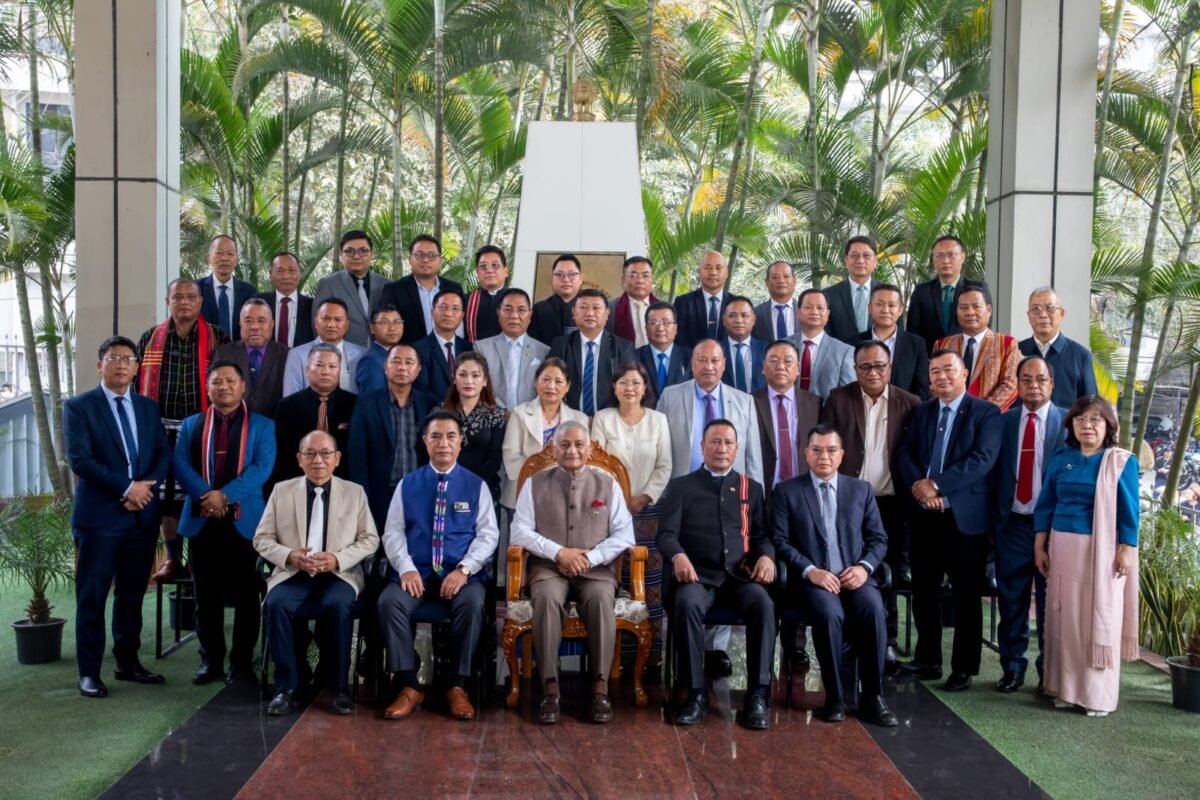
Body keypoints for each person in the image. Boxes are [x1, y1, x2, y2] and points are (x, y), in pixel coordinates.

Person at [509, 421, 636, 725]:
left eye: (579, 444)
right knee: (546, 599)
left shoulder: (608, 483)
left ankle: (600, 688)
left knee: (601, 600)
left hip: (596, 571)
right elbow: (519, 531)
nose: (572, 451)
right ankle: (550, 688)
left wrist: (589, 558)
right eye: (564, 444)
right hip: (548, 568)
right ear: (553, 449)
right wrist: (558, 552)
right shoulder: (534, 483)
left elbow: (625, 535)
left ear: (589, 448)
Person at [65, 336, 172, 698]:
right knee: (93, 596)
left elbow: (162, 453)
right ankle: (89, 673)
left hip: (141, 517)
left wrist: (145, 489)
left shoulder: (147, 407)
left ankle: (127, 662)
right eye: (114, 358)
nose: (122, 364)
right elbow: (81, 461)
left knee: (131, 595)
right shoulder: (79, 407)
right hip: (100, 518)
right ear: (100, 365)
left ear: (137, 367)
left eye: (128, 359)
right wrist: (128, 489)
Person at [377, 411, 500, 721]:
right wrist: (405, 568)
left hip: (460, 575)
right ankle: (409, 685)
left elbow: (488, 535)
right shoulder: (407, 484)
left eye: (450, 436)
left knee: (473, 604)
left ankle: (457, 686)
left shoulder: (476, 486)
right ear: (425, 441)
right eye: (436, 436)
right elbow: (392, 532)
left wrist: (465, 569)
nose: (443, 443)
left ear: (460, 442)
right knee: (389, 602)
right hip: (416, 573)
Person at [771, 425, 896, 727]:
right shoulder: (787, 491)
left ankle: (873, 697)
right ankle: (835, 697)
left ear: (841, 455)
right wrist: (810, 570)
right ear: (806, 453)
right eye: (816, 450)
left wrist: (864, 567)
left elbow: (879, 539)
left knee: (873, 610)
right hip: (814, 580)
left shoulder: (861, 490)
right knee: (829, 614)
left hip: (856, 576)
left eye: (830, 451)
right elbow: (781, 541)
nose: (823, 457)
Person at [657, 419, 776, 730]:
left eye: (728, 443)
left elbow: (762, 534)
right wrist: (679, 556)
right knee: (686, 605)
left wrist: (766, 556)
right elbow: (666, 535)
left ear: (736, 448)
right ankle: (695, 693)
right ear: (702, 447)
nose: (721, 448)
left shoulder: (751, 488)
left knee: (764, 605)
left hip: (740, 576)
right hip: (698, 576)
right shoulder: (681, 487)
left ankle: (757, 694)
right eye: (715, 442)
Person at [254, 430, 379, 716]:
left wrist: (337, 559)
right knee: (276, 603)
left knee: (339, 604)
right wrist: (289, 556)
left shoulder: (354, 492)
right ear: (299, 459)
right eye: (310, 454)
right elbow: (261, 539)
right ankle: (286, 688)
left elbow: (370, 539)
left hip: (338, 575)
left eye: (325, 453)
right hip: (292, 573)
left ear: (337, 458)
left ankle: (338, 687)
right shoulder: (282, 491)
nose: (318, 460)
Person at [897, 350, 1001, 691]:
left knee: (966, 594)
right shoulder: (922, 411)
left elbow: (982, 459)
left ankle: (963, 667)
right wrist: (920, 488)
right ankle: (928, 659)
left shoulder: (986, 413)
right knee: (924, 590)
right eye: (935, 371)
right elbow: (906, 453)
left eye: (948, 370)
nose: (941, 377)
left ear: (964, 373)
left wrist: (938, 485)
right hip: (924, 516)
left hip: (964, 518)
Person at [1034, 396, 1139, 716]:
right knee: (1065, 619)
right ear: (1072, 426)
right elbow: (1045, 505)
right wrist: (1040, 546)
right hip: (1062, 547)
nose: (1087, 425)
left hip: (1102, 552)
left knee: (1097, 619)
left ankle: (1095, 697)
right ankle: (1065, 690)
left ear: (1108, 425)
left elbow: (1130, 512)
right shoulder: (1061, 458)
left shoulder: (1120, 461)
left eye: (1095, 419)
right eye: (1080, 420)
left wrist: (1126, 550)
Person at [174, 361, 276, 686]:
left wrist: (226, 496)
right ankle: (211, 660)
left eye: (231, 381)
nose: (224, 387)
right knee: (206, 596)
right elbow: (180, 464)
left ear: (243, 386)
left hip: (245, 521)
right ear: (207, 388)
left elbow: (262, 468)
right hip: (202, 519)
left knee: (247, 596)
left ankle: (242, 664)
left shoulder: (262, 425)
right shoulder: (191, 424)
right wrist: (208, 496)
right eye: (217, 382)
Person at [820, 341, 920, 669]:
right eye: (865, 367)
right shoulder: (838, 398)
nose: (872, 372)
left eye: (879, 366)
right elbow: (827, 446)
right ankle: (850, 638)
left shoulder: (910, 403)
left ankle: (886, 641)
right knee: (846, 566)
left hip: (890, 503)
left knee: (886, 571)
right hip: (846, 502)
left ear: (889, 368)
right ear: (855, 369)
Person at [136, 277, 231, 581]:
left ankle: (196, 559)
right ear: (168, 302)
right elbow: (137, 385)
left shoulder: (218, 337)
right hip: (160, 426)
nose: (184, 302)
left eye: (191, 297)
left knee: (197, 489)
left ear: (200, 302)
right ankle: (173, 558)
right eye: (178, 297)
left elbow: (227, 380)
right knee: (166, 495)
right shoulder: (150, 337)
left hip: (202, 426)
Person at [993, 355, 1066, 694]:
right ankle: (1012, 667)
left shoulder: (1068, 423)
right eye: (1026, 379)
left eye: (1040, 379)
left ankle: (1048, 672)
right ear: (1018, 385)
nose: (1033, 385)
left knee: (1052, 603)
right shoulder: (1003, 422)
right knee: (1012, 599)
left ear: (1052, 384)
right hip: (1012, 524)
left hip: (1053, 528)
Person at [591, 361, 672, 662]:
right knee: (616, 576)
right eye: (623, 382)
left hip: (649, 512)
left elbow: (664, 465)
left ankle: (651, 652)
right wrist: (620, 500)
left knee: (649, 581)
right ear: (614, 387)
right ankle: (616, 654)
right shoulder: (603, 419)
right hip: (609, 512)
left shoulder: (658, 420)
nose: (630, 388)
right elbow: (597, 465)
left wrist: (643, 497)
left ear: (645, 387)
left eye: (636, 382)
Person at [348, 344, 439, 533]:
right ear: (385, 366)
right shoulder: (367, 403)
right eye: (396, 361)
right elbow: (357, 455)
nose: (402, 367)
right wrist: (361, 498)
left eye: (409, 362)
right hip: (381, 495)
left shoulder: (429, 404)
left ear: (418, 369)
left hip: (420, 493)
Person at [657, 340, 764, 485]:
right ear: (692, 364)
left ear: (724, 364)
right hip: (682, 488)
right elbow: (658, 450)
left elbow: (753, 458)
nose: (708, 367)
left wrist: (755, 495)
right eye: (702, 360)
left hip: (732, 489)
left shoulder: (745, 402)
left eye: (715, 361)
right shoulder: (669, 397)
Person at [500, 358, 589, 509]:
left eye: (558, 381)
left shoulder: (580, 419)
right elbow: (511, 455)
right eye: (545, 379)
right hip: (523, 492)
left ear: (567, 386)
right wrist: (540, 478)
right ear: (536, 382)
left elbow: (584, 459)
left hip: (566, 493)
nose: (551, 386)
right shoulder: (520, 413)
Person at [274, 345, 357, 485]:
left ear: (339, 370)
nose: (325, 372)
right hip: (298, 482)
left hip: (343, 483)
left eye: (332, 366)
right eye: (319, 365)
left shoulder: (355, 405)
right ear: (307, 370)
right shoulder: (287, 406)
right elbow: (281, 454)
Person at [548, 288, 635, 414]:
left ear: (607, 313)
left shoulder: (623, 347)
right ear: (574, 312)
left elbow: (629, 388)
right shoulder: (561, 345)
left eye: (596, 308)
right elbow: (551, 384)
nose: (589, 313)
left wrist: (604, 418)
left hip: (611, 418)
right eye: (583, 307)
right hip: (569, 418)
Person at [935, 284, 1020, 411]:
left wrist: (981, 413)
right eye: (963, 307)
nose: (970, 312)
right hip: (949, 415)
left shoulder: (1007, 344)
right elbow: (934, 383)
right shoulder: (942, 345)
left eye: (976, 306)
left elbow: (1010, 385)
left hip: (989, 417)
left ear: (989, 310)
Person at [753, 340, 822, 496]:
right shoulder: (750, 402)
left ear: (798, 368)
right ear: (763, 367)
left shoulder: (814, 403)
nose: (781, 366)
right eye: (774, 361)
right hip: (765, 490)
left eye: (788, 361)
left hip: (804, 490)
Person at [438, 352, 507, 502]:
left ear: (485, 381)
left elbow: (494, 459)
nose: (468, 381)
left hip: (483, 488)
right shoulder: (439, 413)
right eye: (462, 375)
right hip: (445, 486)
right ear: (454, 378)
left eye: (475, 376)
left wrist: (470, 484)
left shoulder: (496, 415)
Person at [906, 235, 988, 353]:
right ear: (933, 258)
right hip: (930, 358)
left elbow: (985, 325)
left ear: (962, 257)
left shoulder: (978, 289)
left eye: (951, 255)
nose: (945, 261)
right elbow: (913, 331)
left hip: (967, 356)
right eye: (940, 255)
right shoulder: (921, 291)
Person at [1019, 287, 1098, 407]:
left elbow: (1091, 406)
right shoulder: (1016, 351)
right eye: (1036, 309)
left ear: (1061, 314)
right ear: (1028, 316)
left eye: (1050, 308)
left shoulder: (1080, 356)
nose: (1043, 315)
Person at [473, 288, 550, 410]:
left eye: (521, 310)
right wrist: (501, 412)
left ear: (530, 315)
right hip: (492, 414)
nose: (514, 316)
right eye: (508, 310)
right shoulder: (481, 348)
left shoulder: (544, 351)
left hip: (531, 416)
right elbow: (478, 385)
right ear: (498, 313)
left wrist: (525, 414)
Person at [313, 230, 388, 347]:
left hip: (380, 351)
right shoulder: (328, 284)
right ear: (341, 254)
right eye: (349, 251)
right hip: (342, 352)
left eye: (363, 251)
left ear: (371, 254)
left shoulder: (386, 284)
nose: (356, 256)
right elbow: (319, 325)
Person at [854, 284, 929, 399]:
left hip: (905, 408)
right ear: (869, 308)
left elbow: (922, 389)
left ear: (900, 309)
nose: (885, 310)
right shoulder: (853, 343)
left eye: (892, 305)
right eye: (879, 304)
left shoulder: (916, 345)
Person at [214, 298, 287, 418]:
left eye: (261, 321)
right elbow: (216, 395)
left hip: (275, 425)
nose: (255, 327)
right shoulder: (223, 354)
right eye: (248, 321)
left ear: (272, 324)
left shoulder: (287, 355)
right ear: (240, 324)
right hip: (234, 424)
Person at [282, 298, 367, 396]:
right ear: (315, 322)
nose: (331, 325)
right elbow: (290, 397)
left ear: (347, 325)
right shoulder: (297, 355)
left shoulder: (361, 354)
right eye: (325, 319)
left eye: (338, 320)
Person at [787, 289, 856, 398]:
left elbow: (848, 394)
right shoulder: (782, 346)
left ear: (827, 314)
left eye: (820, 308)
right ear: (798, 312)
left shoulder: (844, 352)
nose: (814, 312)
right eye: (808, 307)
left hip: (827, 409)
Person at [414, 289, 473, 401]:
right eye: (443, 307)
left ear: (462, 316)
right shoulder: (418, 350)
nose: (448, 314)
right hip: (434, 410)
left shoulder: (469, 349)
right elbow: (421, 390)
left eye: (455, 308)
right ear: (432, 312)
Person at [196, 235, 256, 340]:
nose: (224, 258)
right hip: (205, 349)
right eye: (219, 253)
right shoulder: (196, 289)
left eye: (230, 254)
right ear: (209, 258)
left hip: (239, 349)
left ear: (236, 260)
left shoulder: (249, 291)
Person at [824, 236, 881, 344]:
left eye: (866, 256)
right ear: (846, 260)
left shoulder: (887, 294)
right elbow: (825, 333)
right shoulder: (829, 295)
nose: (860, 261)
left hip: (879, 353)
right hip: (840, 353)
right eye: (854, 256)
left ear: (875, 261)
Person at [252, 250, 315, 348]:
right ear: (270, 273)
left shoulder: (312, 306)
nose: (286, 276)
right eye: (280, 271)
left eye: (292, 270)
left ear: (300, 272)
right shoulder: (258, 302)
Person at [673, 251, 731, 348]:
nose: (713, 272)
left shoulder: (735, 303)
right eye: (707, 268)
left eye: (718, 268)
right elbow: (679, 341)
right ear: (699, 272)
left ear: (727, 272)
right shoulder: (683, 303)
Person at [636, 301, 691, 403]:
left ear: (676, 328)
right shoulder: (634, 357)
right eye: (654, 323)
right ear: (646, 328)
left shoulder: (690, 358)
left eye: (667, 322)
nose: (660, 328)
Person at [529, 254, 583, 344]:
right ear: (552, 279)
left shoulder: (591, 310)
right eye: (559, 274)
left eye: (571, 274)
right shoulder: (538, 310)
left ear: (580, 278)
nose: (566, 279)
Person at [720, 296, 768, 394]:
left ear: (753, 319)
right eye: (732, 316)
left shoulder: (767, 350)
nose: (738, 320)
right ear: (724, 320)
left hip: (759, 402)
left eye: (744, 315)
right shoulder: (716, 351)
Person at [608, 256, 658, 347]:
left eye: (645, 276)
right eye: (633, 276)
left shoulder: (664, 309)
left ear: (652, 280)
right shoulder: (610, 309)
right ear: (623, 280)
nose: (640, 281)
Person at [355, 304, 405, 395]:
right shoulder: (370, 361)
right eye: (384, 322)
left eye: (397, 322)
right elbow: (373, 399)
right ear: (372, 328)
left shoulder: (403, 355)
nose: (392, 328)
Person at [463, 245, 509, 342]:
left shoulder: (515, 300)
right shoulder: (465, 301)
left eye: (495, 265)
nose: (489, 270)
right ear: (477, 273)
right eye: (483, 266)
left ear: (506, 271)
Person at [752, 261, 798, 341]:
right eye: (775, 277)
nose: (781, 280)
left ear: (794, 281)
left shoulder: (806, 311)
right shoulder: (755, 313)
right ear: (767, 282)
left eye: (786, 276)